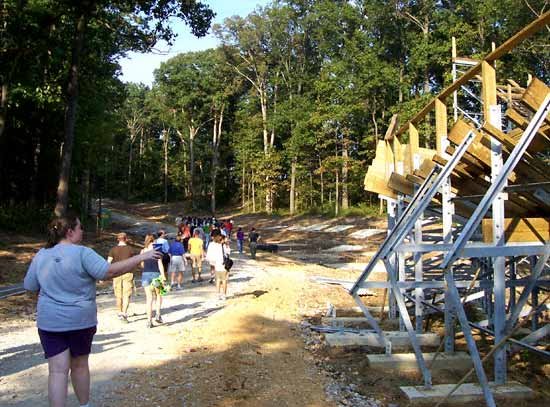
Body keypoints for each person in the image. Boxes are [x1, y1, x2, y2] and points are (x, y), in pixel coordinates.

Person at [23, 214, 161, 407]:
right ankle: (84, 405)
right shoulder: (82, 253)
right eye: (80, 228)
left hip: (50, 322)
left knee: (56, 371)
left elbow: (29, 286)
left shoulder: (41, 255)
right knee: (79, 365)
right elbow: (109, 271)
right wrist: (143, 256)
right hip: (80, 320)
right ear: (70, 232)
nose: (83, 231)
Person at [107, 232, 135, 323]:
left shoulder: (113, 250)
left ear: (118, 239)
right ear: (126, 239)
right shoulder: (130, 249)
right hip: (128, 273)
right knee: (126, 294)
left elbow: (108, 263)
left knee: (118, 294)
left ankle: (119, 313)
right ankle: (124, 313)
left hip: (116, 273)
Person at [141, 234, 167, 328]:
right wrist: (163, 276)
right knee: (159, 295)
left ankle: (149, 321)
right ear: (153, 241)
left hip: (146, 275)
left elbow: (142, 264)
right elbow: (160, 264)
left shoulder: (143, 251)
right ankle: (158, 314)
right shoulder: (157, 251)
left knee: (149, 298)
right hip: (156, 275)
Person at [206, 234, 230, 300]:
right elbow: (228, 253)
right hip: (224, 265)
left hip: (217, 265)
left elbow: (211, 256)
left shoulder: (215, 246)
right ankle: (224, 295)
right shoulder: (223, 246)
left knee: (218, 280)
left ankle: (218, 294)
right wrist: (227, 245)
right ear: (222, 240)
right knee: (224, 280)